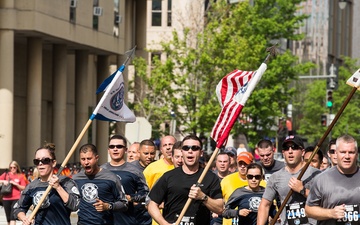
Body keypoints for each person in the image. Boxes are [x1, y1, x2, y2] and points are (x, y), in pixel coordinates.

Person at [147, 134, 223, 225]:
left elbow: (220, 209)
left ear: (201, 152)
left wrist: (203, 197)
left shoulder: (210, 177)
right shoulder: (169, 176)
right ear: (182, 152)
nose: (190, 151)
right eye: (186, 148)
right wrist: (164, 224)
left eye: (195, 148)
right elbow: (152, 204)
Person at [257, 135, 321, 225]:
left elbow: (324, 201)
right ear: (283, 152)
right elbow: (265, 205)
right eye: (286, 148)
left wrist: (302, 190)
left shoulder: (315, 174)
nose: (290, 151)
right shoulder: (275, 177)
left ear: (302, 152)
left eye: (294, 148)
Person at [14, 143, 80, 225]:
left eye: (45, 160)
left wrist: (58, 187)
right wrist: (24, 218)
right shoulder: (32, 186)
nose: (40, 163)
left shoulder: (66, 182)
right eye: (37, 161)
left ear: (54, 163)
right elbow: (18, 208)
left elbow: (75, 205)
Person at [305, 134, 360, 225]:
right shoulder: (322, 179)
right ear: (336, 153)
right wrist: (331, 213)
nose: (347, 156)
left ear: (356, 154)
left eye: (351, 152)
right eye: (343, 152)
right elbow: (308, 210)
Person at [72, 143, 128, 225]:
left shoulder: (111, 178)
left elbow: (124, 204)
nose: (86, 162)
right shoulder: (76, 179)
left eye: (89, 158)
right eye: (83, 159)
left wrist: (108, 206)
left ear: (96, 158)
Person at [101, 135, 151, 225]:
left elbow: (146, 193)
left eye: (119, 146)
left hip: (126, 220)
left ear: (126, 150)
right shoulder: (101, 170)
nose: (115, 149)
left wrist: (131, 198)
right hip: (103, 220)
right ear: (108, 150)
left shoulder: (134, 171)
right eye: (112, 147)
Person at [218, 151, 266, 225]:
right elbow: (221, 207)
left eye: (245, 164)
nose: (243, 166)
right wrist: (237, 212)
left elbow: (270, 206)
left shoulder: (262, 183)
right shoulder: (226, 180)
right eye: (240, 164)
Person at [0, 161, 27, 225]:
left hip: (16, 198)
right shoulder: (6, 174)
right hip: (6, 198)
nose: (12, 169)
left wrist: (16, 184)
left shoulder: (20, 176)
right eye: (11, 167)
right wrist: (4, 181)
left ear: (17, 167)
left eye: (14, 167)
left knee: (13, 217)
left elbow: (23, 187)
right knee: (8, 218)